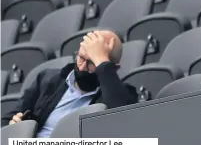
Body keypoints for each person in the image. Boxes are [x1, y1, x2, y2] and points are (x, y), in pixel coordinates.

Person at [1, 30, 138, 137]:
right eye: (81, 57)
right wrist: (15, 128)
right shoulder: (48, 79)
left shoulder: (121, 95)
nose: (82, 66)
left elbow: (124, 123)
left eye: (92, 62)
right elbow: (5, 122)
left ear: (112, 67)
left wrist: (101, 61)